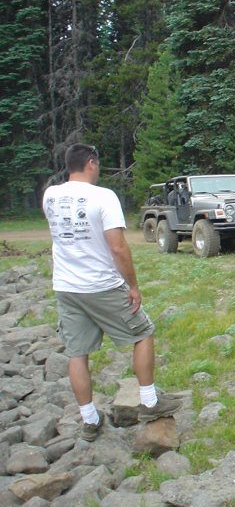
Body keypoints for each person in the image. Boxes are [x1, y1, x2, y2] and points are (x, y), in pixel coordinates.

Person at [42, 143, 181, 442]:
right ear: (91, 163)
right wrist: (133, 286)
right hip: (101, 284)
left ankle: (90, 420)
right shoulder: (103, 197)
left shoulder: (50, 195)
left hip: (66, 286)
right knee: (143, 332)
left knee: (77, 352)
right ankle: (150, 402)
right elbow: (117, 247)